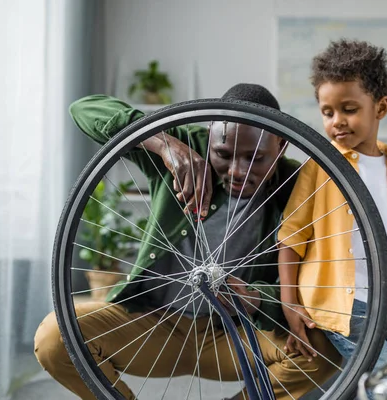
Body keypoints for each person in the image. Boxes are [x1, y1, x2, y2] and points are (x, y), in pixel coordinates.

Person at [34, 83, 341, 400]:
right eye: (223, 154)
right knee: (56, 336)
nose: (236, 170)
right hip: (152, 324)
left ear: (281, 145)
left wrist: (256, 299)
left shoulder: (299, 185)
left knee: (326, 347)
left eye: (255, 158)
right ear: (210, 134)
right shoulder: (184, 149)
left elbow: (311, 278)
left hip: (232, 335)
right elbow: (84, 108)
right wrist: (166, 145)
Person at [276, 39, 387, 398]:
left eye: (349, 109)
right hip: (343, 305)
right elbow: (291, 236)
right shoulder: (320, 166)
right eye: (328, 112)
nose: (337, 122)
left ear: (380, 107)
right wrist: (290, 303)